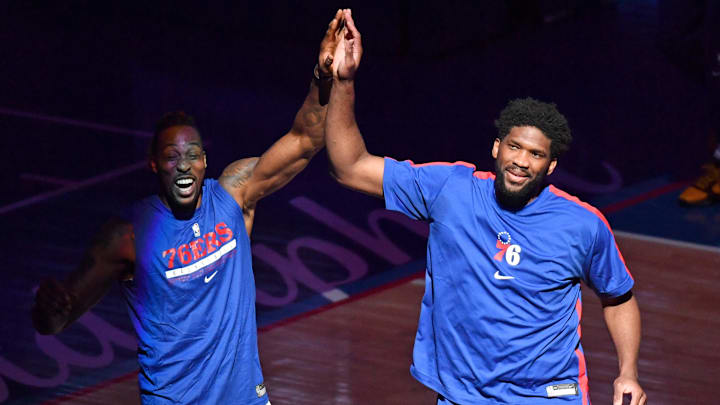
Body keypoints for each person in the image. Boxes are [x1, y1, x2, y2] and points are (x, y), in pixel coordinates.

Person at [325, 9, 647, 405]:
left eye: (535, 155)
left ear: (551, 166)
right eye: (514, 147)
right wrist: (342, 82)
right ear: (496, 148)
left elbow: (618, 298)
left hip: (546, 396)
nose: (521, 161)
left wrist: (627, 373)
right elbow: (350, 167)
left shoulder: (582, 225)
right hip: (464, 396)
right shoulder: (450, 189)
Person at [31, 10, 345, 405]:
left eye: (192, 154)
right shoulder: (129, 237)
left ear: (205, 162)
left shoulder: (234, 195)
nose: (183, 164)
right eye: (171, 156)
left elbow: (305, 139)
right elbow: (59, 317)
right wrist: (47, 311)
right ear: (152, 163)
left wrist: (324, 75)